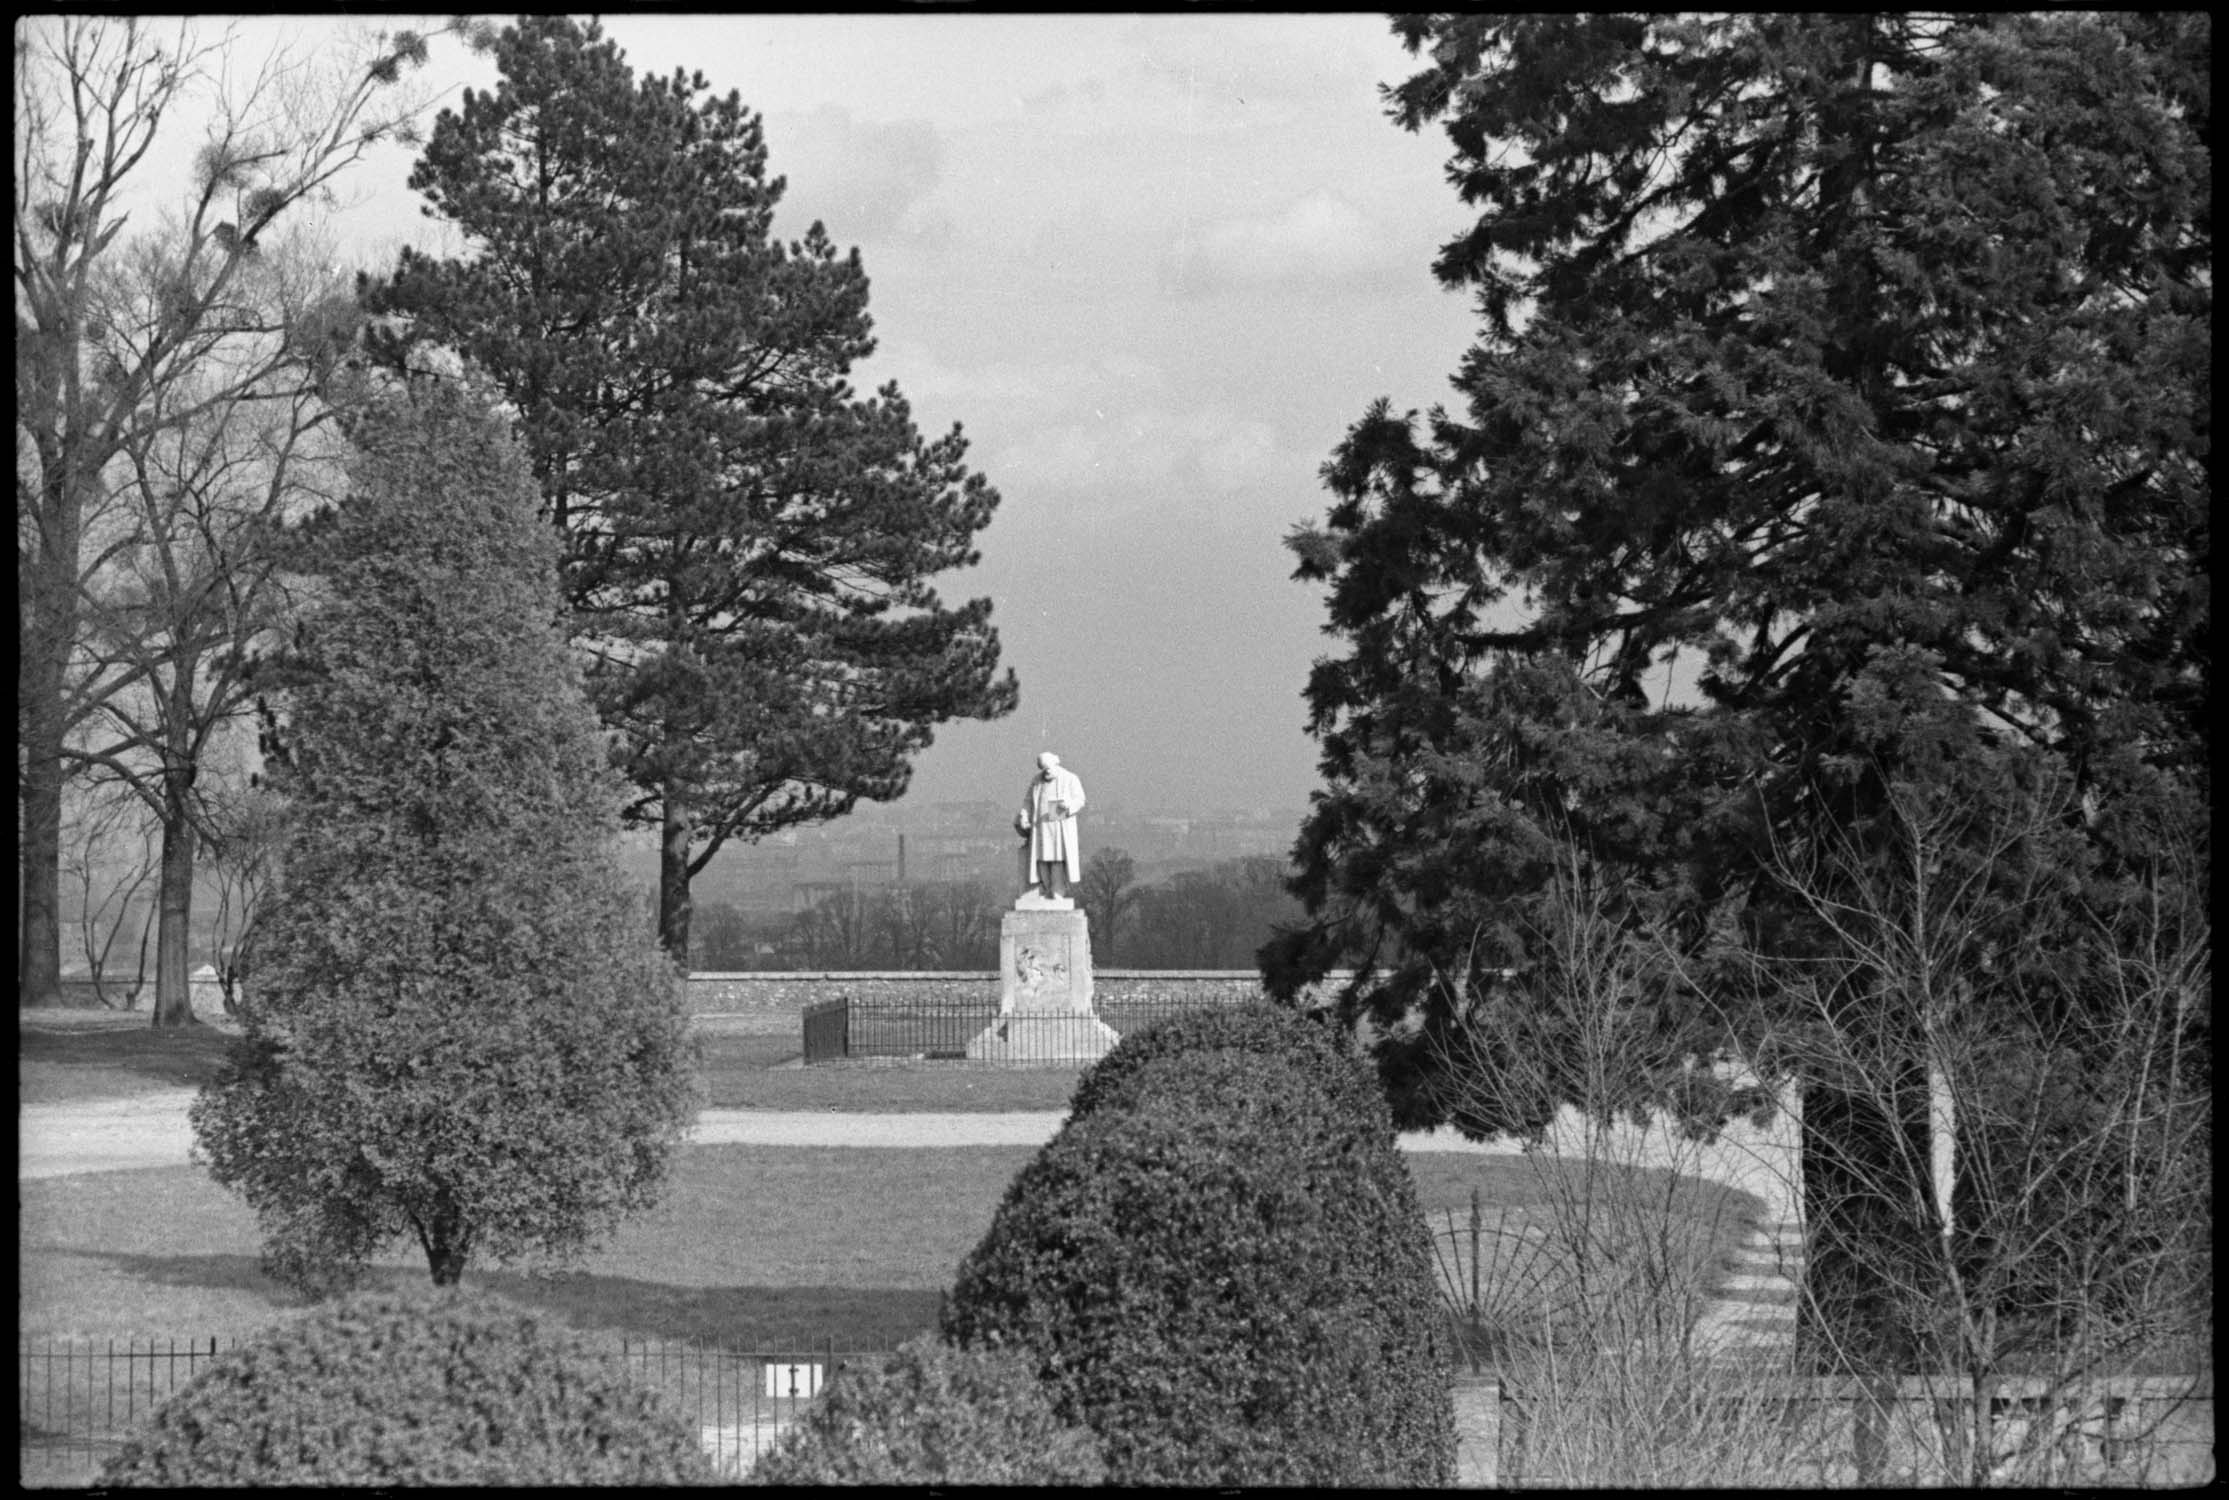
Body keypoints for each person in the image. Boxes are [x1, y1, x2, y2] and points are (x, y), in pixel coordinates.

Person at [1016, 752, 1086, 903]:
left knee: (1057, 859)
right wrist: (1024, 815)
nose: (1046, 771)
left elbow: (1080, 799)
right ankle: (1046, 888)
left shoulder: (1070, 778)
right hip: (1040, 825)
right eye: (1044, 769)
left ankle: (1057, 891)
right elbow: (1028, 801)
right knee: (1041, 858)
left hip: (1059, 825)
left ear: (1055, 764)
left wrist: (1068, 806)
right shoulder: (1037, 780)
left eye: (1048, 768)